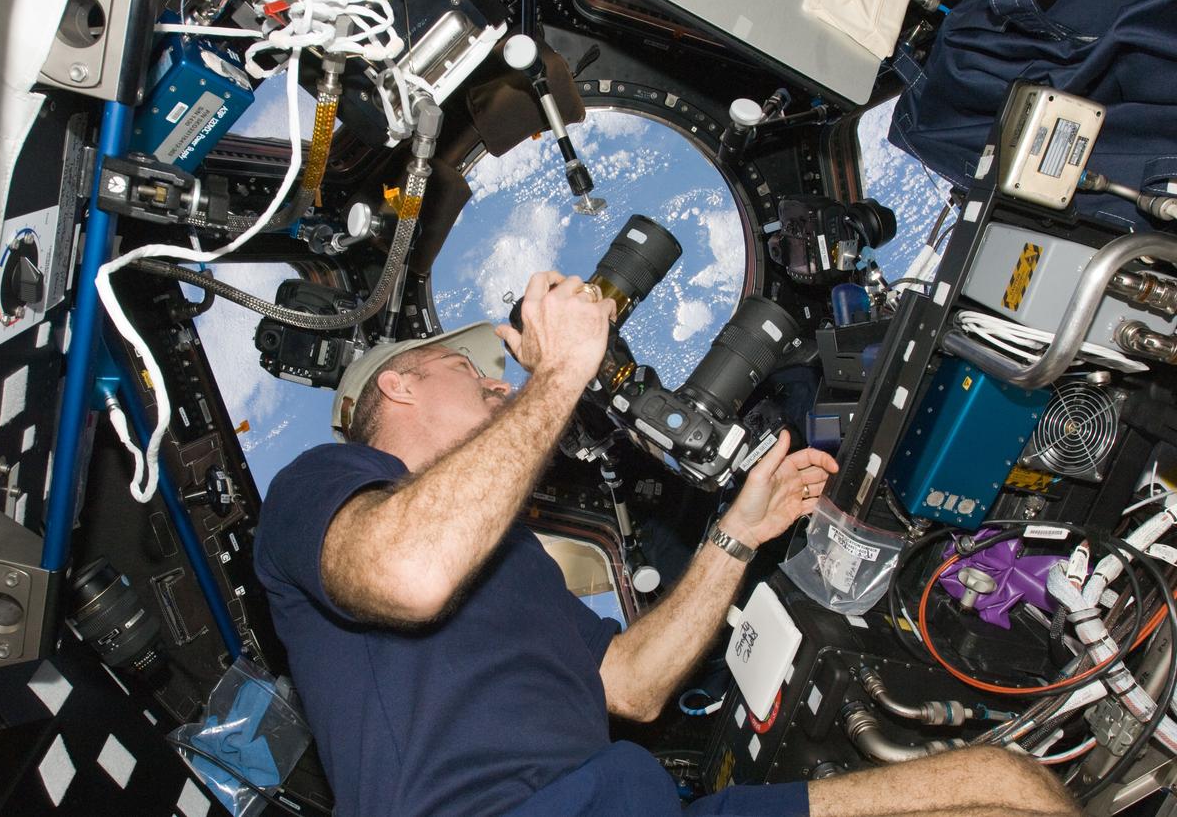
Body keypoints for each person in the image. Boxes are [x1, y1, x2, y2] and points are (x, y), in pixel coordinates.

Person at [254, 271, 1081, 817]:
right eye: (474, 375)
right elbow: (409, 572)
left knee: (1006, 786)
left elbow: (633, 685)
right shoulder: (324, 490)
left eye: (504, 378)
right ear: (398, 382)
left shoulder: (516, 561)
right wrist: (558, 374)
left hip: (633, 801)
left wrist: (735, 535)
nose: (499, 384)